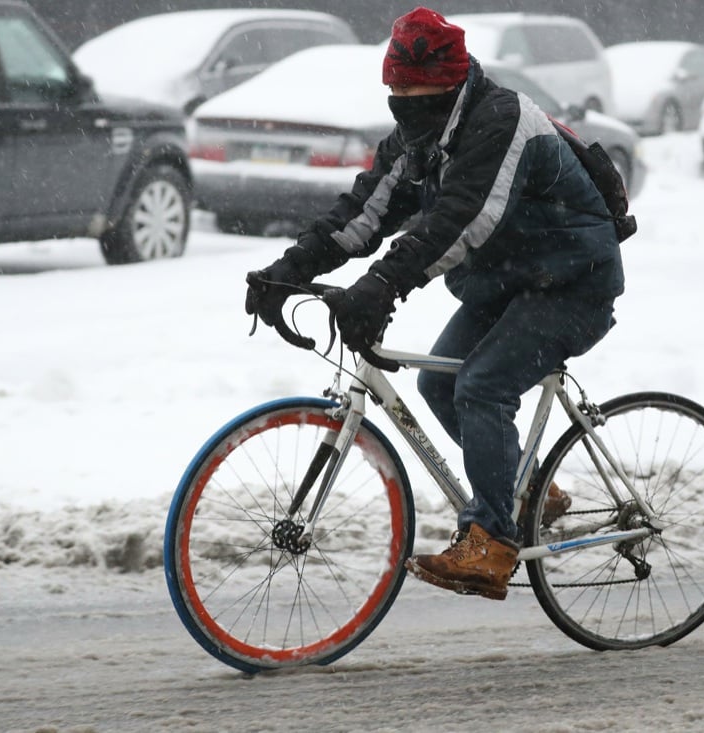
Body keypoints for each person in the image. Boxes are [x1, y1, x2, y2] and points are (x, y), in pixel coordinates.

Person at [244, 6, 624, 601]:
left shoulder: (502, 121)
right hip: (506, 285)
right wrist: (288, 270)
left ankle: (493, 542)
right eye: (396, 92)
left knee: (481, 386)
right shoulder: (418, 136)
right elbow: (364, 215)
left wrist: (381, 285)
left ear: (451, 87)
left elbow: (462, 222)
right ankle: (528, 491)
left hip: (575, 282)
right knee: (439, 386)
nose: (405, 103)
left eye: (416, 93)